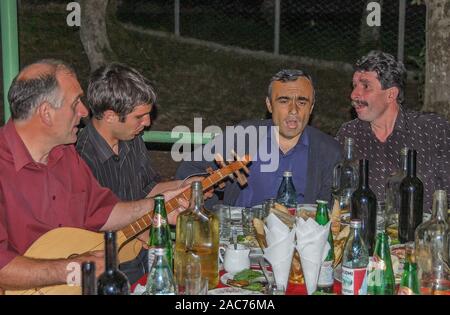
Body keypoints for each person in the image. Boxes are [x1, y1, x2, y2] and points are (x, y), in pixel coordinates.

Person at [0, 59, 187, 292]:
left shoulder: (65, 154)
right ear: (46, 113)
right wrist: (70, 269)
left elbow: (103, 212)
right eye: (75, 103)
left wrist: (157, 205)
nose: (85, 111)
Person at [76, 63, 203, 282]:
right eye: (139, 117)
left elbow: (149, 188)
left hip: (145, 255)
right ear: (109, 116)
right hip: (110, 265)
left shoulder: (132, 139)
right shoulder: (79, 157)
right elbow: (88, 224)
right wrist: (143, 233)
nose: (147, 122)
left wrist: (188, 184)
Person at [176, 69, 342, 208]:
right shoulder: (243, 136)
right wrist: (213, 212)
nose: (293, 110)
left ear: (311, 107)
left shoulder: (329, 152)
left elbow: (334, 211)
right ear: (269, 105)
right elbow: (188, 170)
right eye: (284, 101)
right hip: (242, 240)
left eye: (302, 102)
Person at [336, 51, 450, 213]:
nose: (354, 94)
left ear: (391, 94)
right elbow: (336, 196)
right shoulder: (349, 134)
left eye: (365, 86)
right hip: (364, 233)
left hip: (420, 235)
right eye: (354, 86)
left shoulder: (433, 130)